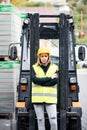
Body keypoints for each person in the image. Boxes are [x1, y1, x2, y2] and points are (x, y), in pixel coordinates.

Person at [32, 47, 58, 130]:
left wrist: (41, 81)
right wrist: (50, 78)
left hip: (50, 99)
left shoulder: (55, 67)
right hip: (37, 99)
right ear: (39, 57)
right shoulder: (34, 67)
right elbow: (35, 80)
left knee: (53, 121)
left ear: (48, 57)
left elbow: (54, 82)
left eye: (45, 56)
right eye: (42, 56)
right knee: (40, 121)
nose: (44, 58)